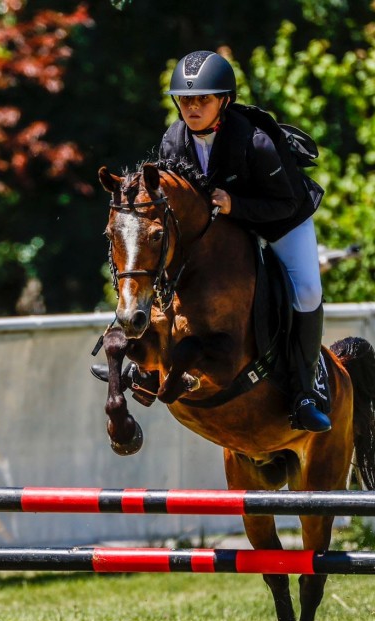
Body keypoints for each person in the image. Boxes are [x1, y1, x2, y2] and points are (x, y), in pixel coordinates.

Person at [96, 50, 330, 432]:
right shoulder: (174, 139)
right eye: (186, 100)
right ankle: (146, 360)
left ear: (224, 100)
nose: (192, 108)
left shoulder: (256, 141)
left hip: (279, 219)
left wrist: (236, 204)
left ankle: (305, 390)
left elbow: (285, 202)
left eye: (202, 99)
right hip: (220, 228)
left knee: (305, 291)